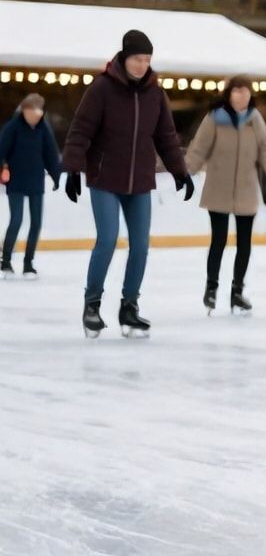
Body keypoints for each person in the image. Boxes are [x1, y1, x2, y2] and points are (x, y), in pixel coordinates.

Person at [61, 30, 193, 337]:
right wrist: (72, 169)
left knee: (141, 246)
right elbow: (81, 130)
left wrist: (180, 172)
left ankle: (129, 307)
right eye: (137, 58)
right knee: (107, 240)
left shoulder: (156, 94)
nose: (142, 65)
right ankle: (92, 305)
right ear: (124, 57)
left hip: (140, 181)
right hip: (105, 178)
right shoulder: (102, 89)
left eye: (147, 59)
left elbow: (166, 137)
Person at [185, 75, 266, 315]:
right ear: (228, 94)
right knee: (218, 241)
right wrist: (185, 174)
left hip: (245, 189)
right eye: (237, 91)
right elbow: (198, 148)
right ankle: (212, 288)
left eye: (245, 91)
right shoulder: (215, 118)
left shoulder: (255, 120)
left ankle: (237, 291)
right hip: (218, 188)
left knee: (244, 244)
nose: (242, 95)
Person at [0, 93, 63, 279]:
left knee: (36, 223)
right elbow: (1, 150)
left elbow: (51, 154)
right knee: (16, 220)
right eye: (33, 110)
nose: (37, 114)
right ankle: (6, 262)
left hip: (35, 181)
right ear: (25, 110)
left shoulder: (43, 129)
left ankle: (28, 264)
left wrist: (56, 176)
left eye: (40, 111)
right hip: (17, 182)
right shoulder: (13, 127)